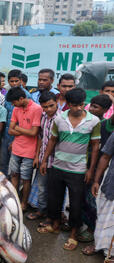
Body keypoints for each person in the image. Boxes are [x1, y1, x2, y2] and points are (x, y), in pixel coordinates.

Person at [38, 88, 101, 252]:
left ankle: (73, 234)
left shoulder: (93, 121)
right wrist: (44, 160)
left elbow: (95, 147)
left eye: (81, 105)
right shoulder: (59, 119)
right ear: (68, 104)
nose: (78, 108)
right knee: (54, 199)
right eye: (74, 105)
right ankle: (55, 225)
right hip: (58, 166)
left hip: (78, 170)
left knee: (76, 204)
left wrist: (90, 170)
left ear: (84, 103)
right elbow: (52, 141)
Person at [7, 86, 42, 211]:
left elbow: (34, 133)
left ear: (21, 98)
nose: (13, 104)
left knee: (26, 178)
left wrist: (17, 128)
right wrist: (24, 130)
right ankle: (14, 201)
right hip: (16, 148)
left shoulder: (37, 109)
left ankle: (24, 203)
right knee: (14, 175)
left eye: (14, 102)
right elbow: (10, 130)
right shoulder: (17, 108)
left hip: (29, 151)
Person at [81, 133, 114, 263]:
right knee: (103, 214)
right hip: (111, 183)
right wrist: (96, 181)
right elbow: (105, 156)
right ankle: (99, 244)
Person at [27, 91, 59, 221]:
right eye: (45, 107)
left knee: (54, 190)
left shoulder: (61, 118)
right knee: (41, 187)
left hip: (56, 161)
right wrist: (37, 157)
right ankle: (41, 210)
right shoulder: (44, 116)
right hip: (43, 159)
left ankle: (51, 215)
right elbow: (40, 138)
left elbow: (56, 142)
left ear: (56, 102)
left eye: (51, 105)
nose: (48, 109)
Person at [0, 69, 31, 177]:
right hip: (6, 133)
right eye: (11, 81)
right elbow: (5, 114)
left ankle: (13, 189)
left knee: (15, 166)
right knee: (2, 162)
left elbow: (26, 121)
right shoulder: (8, 94)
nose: (14, 84)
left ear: (21, 81)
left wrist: (16, 139)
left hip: (18, 136)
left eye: (16, 81)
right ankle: (1, 186)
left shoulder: (26, 96)